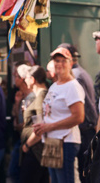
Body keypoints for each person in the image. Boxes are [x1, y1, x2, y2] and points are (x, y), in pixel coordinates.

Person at [33, 47, 84, 183]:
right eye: (56, 61)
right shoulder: (55, 85)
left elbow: (79, 117)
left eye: (63, 61)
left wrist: (49, 127)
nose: (59, 64)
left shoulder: (72, 86)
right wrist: (43, 125)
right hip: (52, 141)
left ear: (70, 63)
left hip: (65, 142)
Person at [57, 42, 98, 182]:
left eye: (62, 60)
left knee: (84, 173)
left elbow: (82, 108)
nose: (58, 64)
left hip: (84, 130)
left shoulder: (76, 75)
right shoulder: (80, 72)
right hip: (87, 128)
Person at [20, 66, 50, 183]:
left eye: (26, 78)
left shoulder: (41, 95)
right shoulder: (39, 96)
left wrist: (27, 145)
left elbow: (40, 124)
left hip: (35, 151)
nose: (25, 80)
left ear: (32, 79)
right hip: (35, 150)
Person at [9, 63, 33, 183]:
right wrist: (17, 103)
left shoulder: (32, 97)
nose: (14, 77)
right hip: (20, 138)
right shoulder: (21, 96)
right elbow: (16, 117)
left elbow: (30, 122)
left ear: (23, 79)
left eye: (16, 75)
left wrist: (21, 126)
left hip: (28, 141)